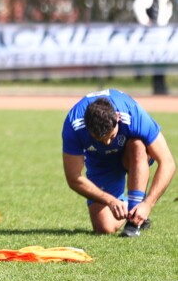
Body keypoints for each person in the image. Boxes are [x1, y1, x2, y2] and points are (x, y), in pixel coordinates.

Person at [61, 89, 175, 237]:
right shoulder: (73, 125)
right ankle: (132, 208)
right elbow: (74, 178)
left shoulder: (133, 113)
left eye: (111, 136)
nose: (107, 143)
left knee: (137, 145)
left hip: (130, 155)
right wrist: (110, 200)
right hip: (101, 163)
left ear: (118, 117)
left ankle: (134, 221)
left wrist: (147, 204)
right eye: (100, 139)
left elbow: (167, 162)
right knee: (104, 227)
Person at [132, 0, 172, 95]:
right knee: (156, 60)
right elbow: (137, 6)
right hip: (153, 35)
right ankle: (158, 86)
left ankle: (161, 86)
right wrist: (146, 21)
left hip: (166, 34)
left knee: (163, 61)